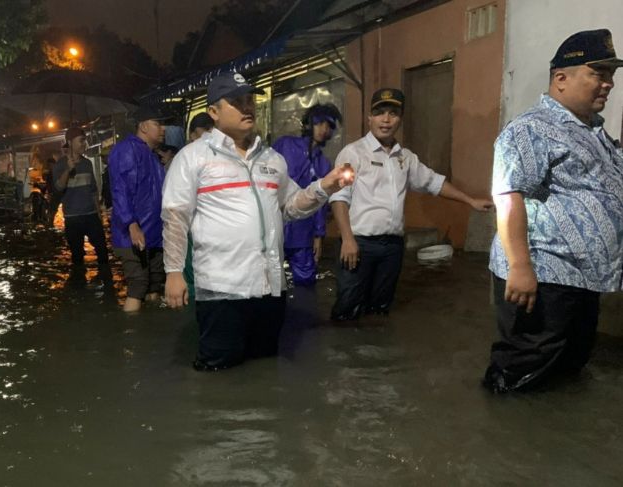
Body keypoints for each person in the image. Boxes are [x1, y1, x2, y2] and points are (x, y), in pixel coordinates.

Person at [162, 71, 353, 370]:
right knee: (219, 368)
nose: (247, 106)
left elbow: (290, 207)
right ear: (213, 111)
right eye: (236, 101)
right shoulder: (193, 158)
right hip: (221, 289)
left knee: (264, 365)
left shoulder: (271, 159)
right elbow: (175, 217)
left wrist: (324, 187)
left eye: (249, 99)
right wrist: (174, 271)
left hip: (268, 286)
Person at [483, 29, 623, 393]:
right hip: (543, 275)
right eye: (598, 73)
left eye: (611, 75)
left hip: (581, 278)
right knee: (524, 365)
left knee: (569, 364)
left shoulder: (593, 132)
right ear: (561, 78)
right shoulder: (531, 129)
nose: (608, 84)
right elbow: (508, 197)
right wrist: (520, 267)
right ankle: (503, 436)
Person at [329, 88, 493, 321]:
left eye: (393, 113)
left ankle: (374, 354)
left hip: (393, 247)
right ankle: (344, 352)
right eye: (379, 113)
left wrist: (470, 200)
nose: (386, 119)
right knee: (348, 309)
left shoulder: (405, 158)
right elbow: (338, 197)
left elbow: (434, 183)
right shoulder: (353, 153)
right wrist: (347, 239)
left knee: (381, 309)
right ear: (369, 118)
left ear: (400, 119)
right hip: (359, 243)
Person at [272, 103, 342, 285]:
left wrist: (318, 236)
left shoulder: (323, 164)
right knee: (268, 280)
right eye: (319, 124)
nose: (323, 130)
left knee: (305, 279)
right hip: (275, 225)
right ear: (308, 124)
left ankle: (304, 311)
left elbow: (319, 203)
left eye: (328, 126)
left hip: (302, 231)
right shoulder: (285, 145)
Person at [108, 107, 169, 313]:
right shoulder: (126, 150)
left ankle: (150, 330)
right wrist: (131, 224)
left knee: (155, 283)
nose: (163, 129)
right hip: (133, 233)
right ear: (143, 126)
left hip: (153, 233)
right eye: (158, 123)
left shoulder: (152, 155)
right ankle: (131, 337)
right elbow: (120, 190)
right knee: (138, 284)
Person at [52, 127, 109, 266]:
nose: (84, 143)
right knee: (77, 256)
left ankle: (106, 283)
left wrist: (99, 214)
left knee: (103, 253)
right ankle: (79, 285)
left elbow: (93, 191)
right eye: (81, 140)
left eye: (85, 140)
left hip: (91, 216)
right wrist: (68, 170)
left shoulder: (87, 163)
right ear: (70, 142)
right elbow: (58, 188)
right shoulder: (60, 165)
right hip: (73, 218)